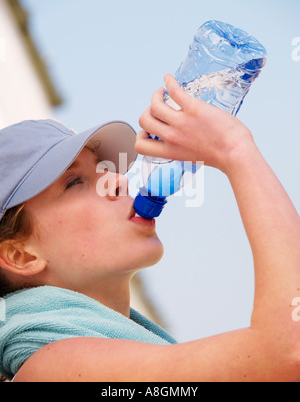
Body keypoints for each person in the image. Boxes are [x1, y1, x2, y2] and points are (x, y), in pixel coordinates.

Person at [0, 74, 299, 382]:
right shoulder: (53, 369)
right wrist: (236, 150)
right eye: (74, 183)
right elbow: (290, 350)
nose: (118, 180)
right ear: (20, 256)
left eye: (105, 168)